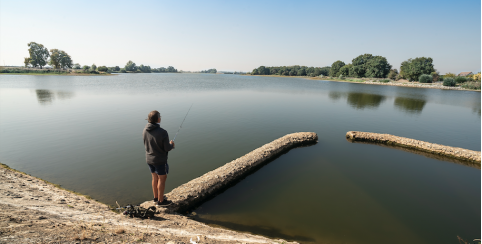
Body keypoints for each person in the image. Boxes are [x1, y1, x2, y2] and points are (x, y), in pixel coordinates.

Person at [143, 110, 175, 206]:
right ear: (157, 119)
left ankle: (156, 197)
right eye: (160, 116)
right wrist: (171, 145)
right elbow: (167, 148)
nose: (160, 118)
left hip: (149, 159)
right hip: (160, 160)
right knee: (162, 178)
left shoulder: (144, 130)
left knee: (154, 178)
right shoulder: (163, 132)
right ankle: (161, 201)